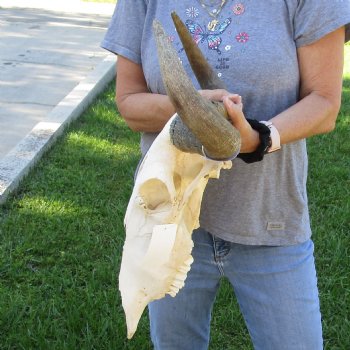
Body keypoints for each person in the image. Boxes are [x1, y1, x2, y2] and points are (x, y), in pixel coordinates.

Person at [102, 1, 350, 349]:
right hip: (168, 220)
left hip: (270, 219)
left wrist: (259, 138)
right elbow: (129, 103)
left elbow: (324, 103)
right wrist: (191, 108)